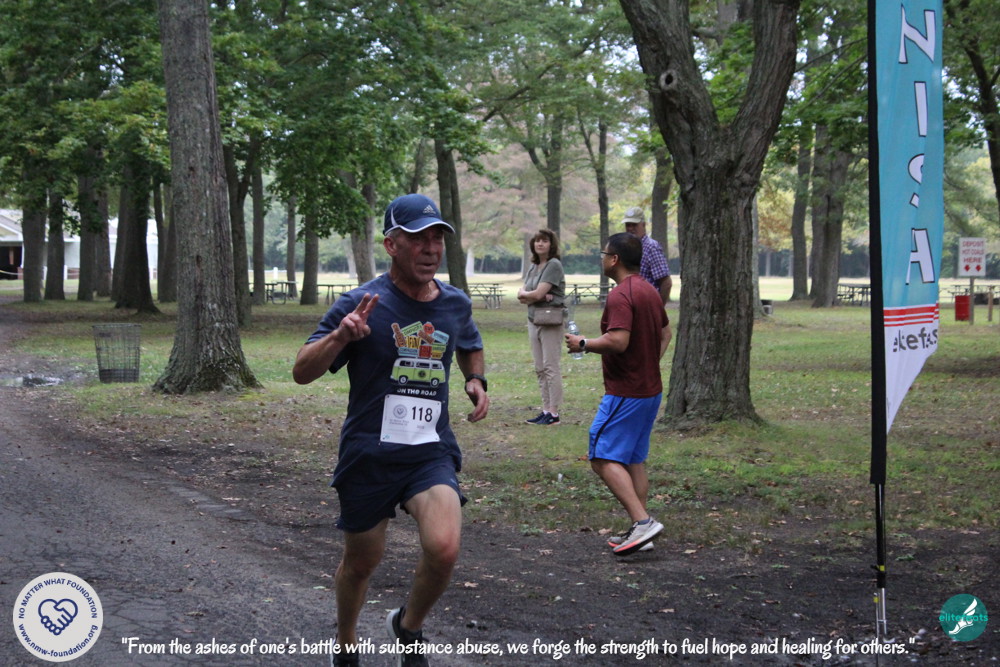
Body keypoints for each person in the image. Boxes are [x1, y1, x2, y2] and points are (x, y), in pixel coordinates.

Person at [293, 193, 490, 667]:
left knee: (444, 548)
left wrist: (475, 379)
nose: (431, 249)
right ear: (391, 245)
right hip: (370, 452)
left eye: (437, 238)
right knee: (361, 563)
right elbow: (301, 370)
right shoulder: (361, 304)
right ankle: (346, 643)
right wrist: (341, 335)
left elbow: (469, 342)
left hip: (428, 451)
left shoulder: (455, 303)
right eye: (419, 238)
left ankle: (408, 627)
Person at [565, 232, 671, 556]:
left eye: (603, 254)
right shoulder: (649, 290)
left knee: (601, 456)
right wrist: (648, 364)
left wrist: (583, 343)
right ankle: (643, 534)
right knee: (633, 460)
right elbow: (666, 333)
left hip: (627, 392)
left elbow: (618, 341)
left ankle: (643, 522)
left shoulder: (621, 294)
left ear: (614, 260)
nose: (602, 259)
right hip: (649, 390)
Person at [516, 229, 566, 426]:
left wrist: (533, 294)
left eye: (544, 241)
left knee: (550, 366)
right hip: (533, 319)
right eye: (537, 241)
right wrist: (532, 294)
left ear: (551, 244)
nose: (540, 244)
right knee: (539, 368)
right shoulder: (534, 266)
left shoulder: (554, 265)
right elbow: (522, 294)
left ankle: (554, 413)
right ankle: (545, 410)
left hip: (550, 320)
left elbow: (533, 294)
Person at [622, 207, 673, 304]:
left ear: (643, 224)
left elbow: (666, 282)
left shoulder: (651, 247)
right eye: (628, 225)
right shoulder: (627, 248)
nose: (630, 228)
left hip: (647, 305)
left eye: (634, 225)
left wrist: (657, 309)